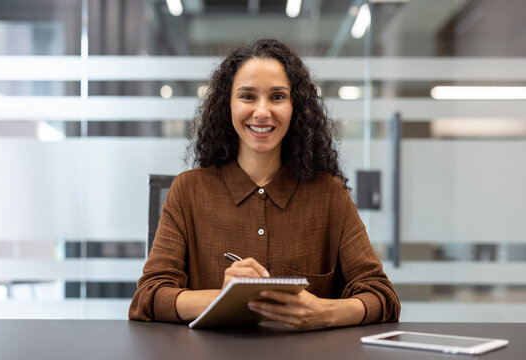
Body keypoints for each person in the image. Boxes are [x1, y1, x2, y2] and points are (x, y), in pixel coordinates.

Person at [129, 38, 400, 329]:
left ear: (296, 107)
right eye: (247, 96)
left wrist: (325, 312)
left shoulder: (329, 195)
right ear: (227, 105)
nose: (261, 111)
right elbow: (148, 296)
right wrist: (224, 298)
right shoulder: (188, 191)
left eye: (277, 97)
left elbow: (381, 296)